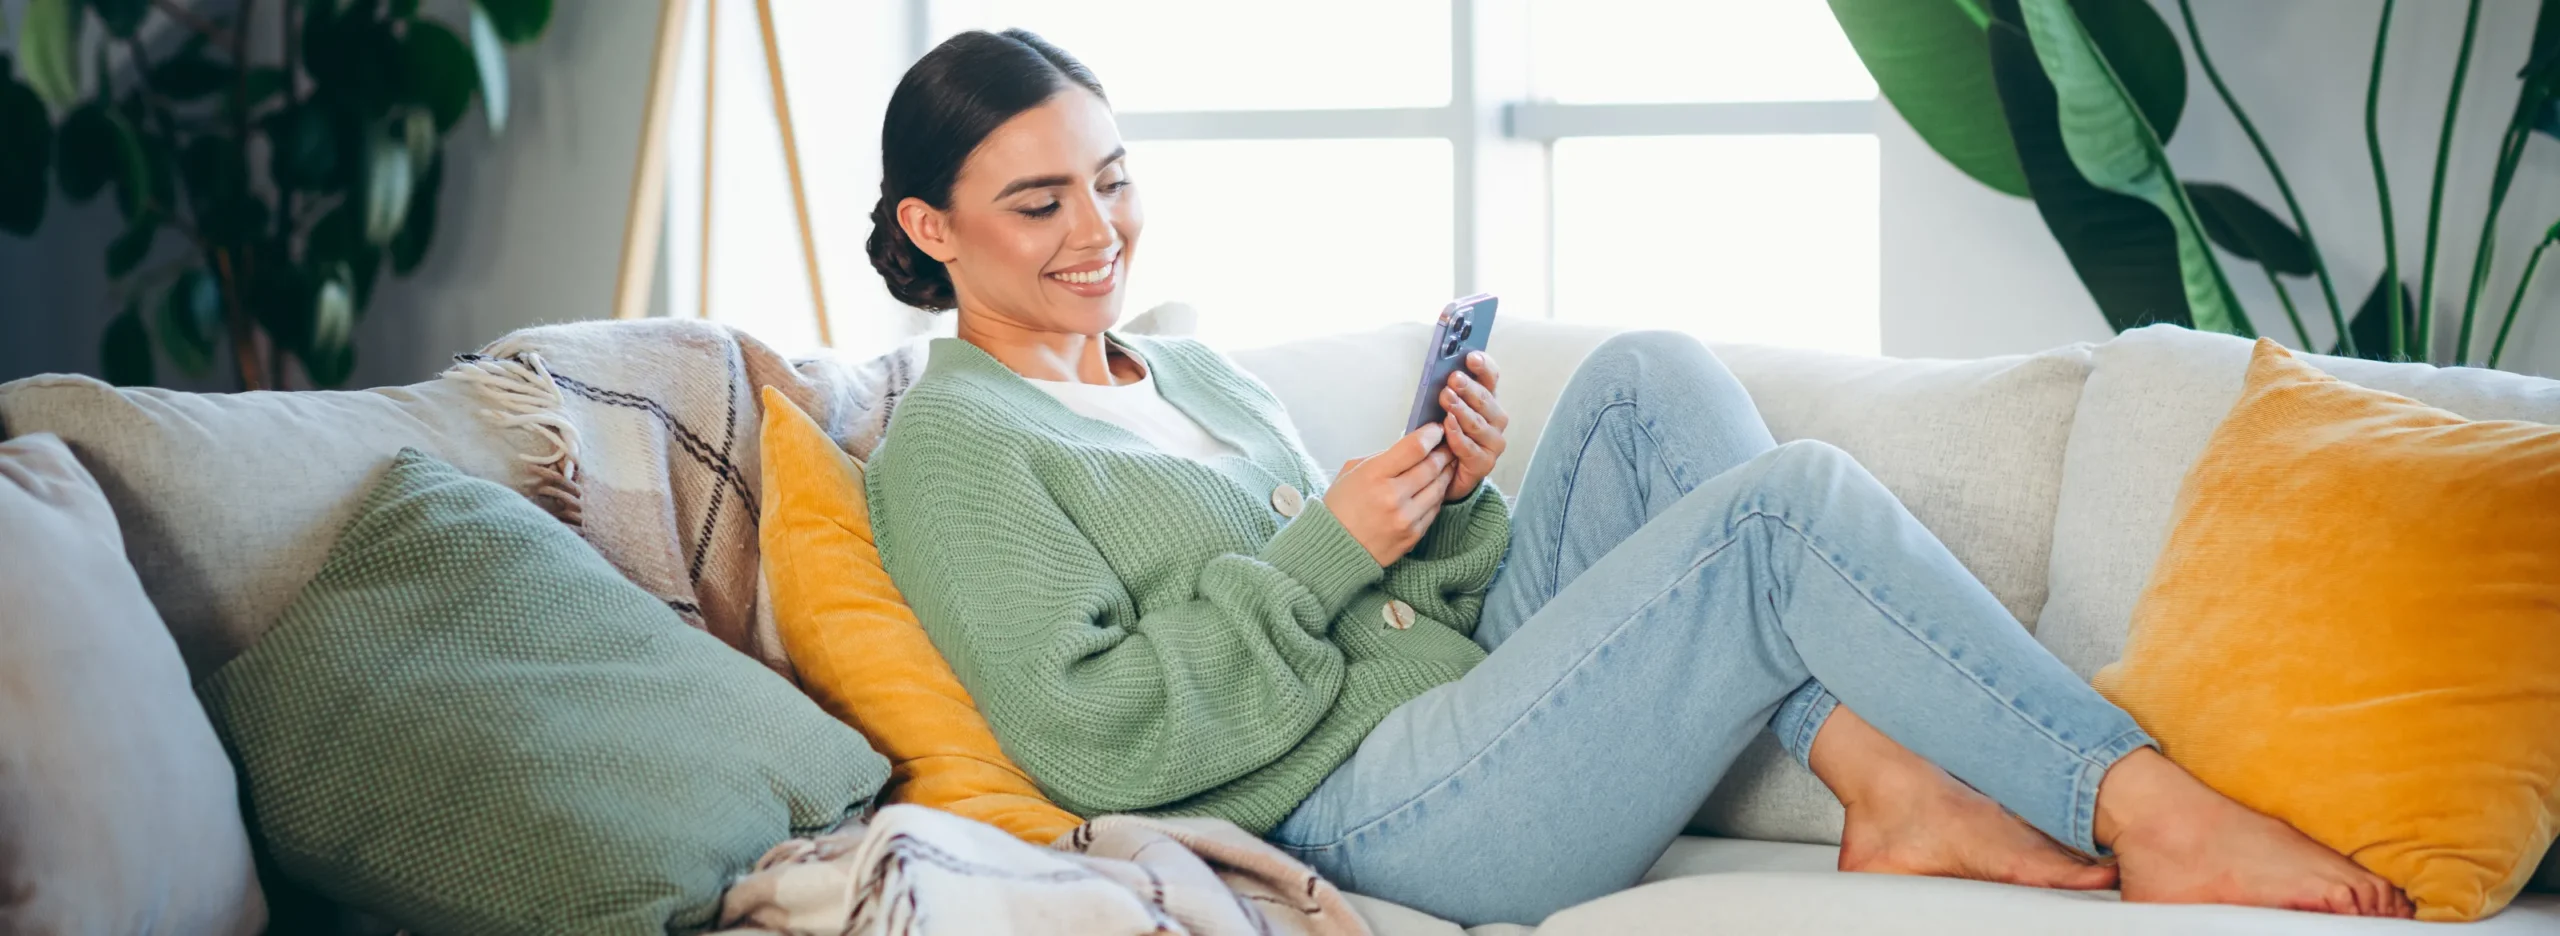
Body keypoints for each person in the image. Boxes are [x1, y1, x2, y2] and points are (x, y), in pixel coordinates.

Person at [859, 29, 2412, 927]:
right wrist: (1324, 549)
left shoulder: (1187, 371)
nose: (1100, 233)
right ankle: (2139, 801)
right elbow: (1097, 742)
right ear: (933, 231)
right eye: (1041, 202)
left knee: (1647, 378)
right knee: (1782, 506)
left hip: (1463, 705)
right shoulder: (957, 452)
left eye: (1117, 179)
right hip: (1363, 812)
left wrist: (1446, 501)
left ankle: (1885, 787)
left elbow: (1409, 605)